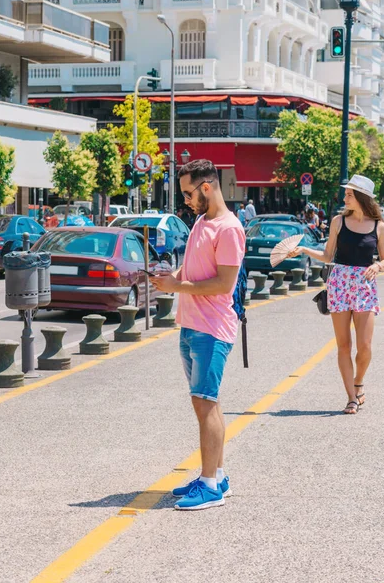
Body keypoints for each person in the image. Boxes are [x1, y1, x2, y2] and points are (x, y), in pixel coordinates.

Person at [153, 159, 245, 510]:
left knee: (206, 404)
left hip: (212, 328)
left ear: (207, 187)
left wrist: (178, 285)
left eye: (189, 194)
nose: (186, 201)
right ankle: (216, 476)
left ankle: (210, 486)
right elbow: (194, 270)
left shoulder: (229, 228)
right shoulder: (201, 223)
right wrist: (171, 278)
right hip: (192, 325)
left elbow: (224, 284)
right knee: (205, 401)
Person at [288, 175, 384, 415]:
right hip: (340, 284)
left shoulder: (379, 226)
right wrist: (302, 249)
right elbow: (327, 256)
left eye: (349, 194)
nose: (345, 197)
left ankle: (358, 381)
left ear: (362, 197)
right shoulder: (338, 222)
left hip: (365, 285)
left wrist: (378, 266)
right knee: (344, 345)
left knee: (364, 346)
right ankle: (351, 398)